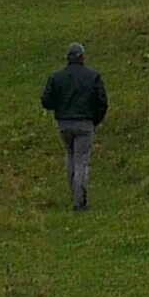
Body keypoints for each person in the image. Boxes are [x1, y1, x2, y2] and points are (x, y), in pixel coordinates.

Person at [38, 42, 109, 211]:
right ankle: (80, 202)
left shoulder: (56, 77)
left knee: (70, 157)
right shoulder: (93, 76)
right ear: (82, 57)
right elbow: (102, 102)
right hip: (84, 123)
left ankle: (73, 194)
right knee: (81, 161)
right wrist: (95, 120)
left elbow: (46, 101)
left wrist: (60, 108)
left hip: (64, 124)